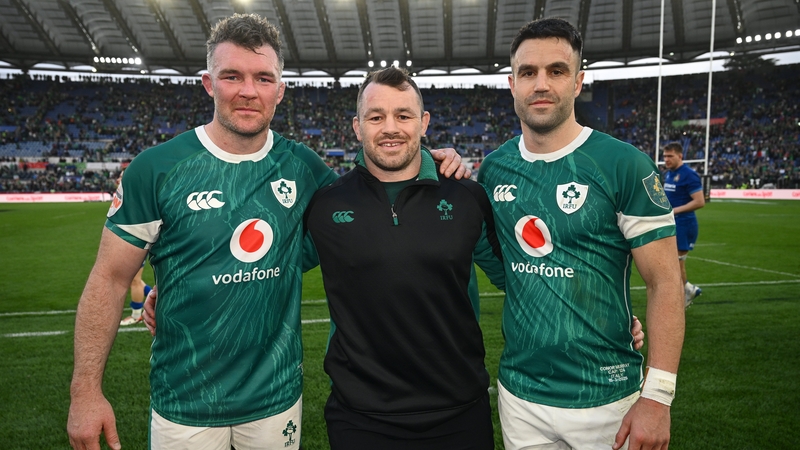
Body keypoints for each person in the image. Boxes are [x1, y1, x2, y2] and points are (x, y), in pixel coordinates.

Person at [67, 13, 466, 450]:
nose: (247, 91)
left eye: (263, 78)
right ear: (207, 83)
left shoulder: (304, 167)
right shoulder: (155, 169)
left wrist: (438, 162)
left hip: (275, 400)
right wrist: (85, 392)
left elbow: (373, 200)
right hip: (184, 401)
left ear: (280, 89)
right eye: (232, 76)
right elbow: (109, 278)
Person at [477, 18, 685, 450]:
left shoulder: (622, 164)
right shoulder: (492, 169)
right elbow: (510, 267)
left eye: (557, 70)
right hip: (521, 397)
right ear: (511, 83)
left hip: (607, 397)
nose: (541, 84)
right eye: (528, 72)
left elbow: (665, 282)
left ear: (578, 81)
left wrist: (658, 396)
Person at [303, 66, 505, 449]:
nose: (390, 127)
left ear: (424, 122)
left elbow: (521, 278)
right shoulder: (327, 206)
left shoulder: (467, 198)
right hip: (360, 417)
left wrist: (606, 315)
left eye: (403, 115)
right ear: (357, 127)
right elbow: (270, 268)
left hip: (459, 414)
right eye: (376, 117)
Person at [662, 142, 705, 308]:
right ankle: (688, 289)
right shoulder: (669, 174)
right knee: (673, 263)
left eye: (670, 156)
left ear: (680, 156)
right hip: (672, 223)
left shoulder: (689, 175)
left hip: (684, 224)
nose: (666, 159)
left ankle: (682, 296)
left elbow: (699, 201)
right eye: (665, 156)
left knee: (676, 263)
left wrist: (675, 210)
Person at [113, 171, 153, 326]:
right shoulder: (134, 193)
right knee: (133, 279)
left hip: (137, 241)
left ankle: (137, 315)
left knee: (134, 280)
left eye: (122, 176)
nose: (118, 179)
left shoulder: (133, 195)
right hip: (134, 240)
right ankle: (155, 297)